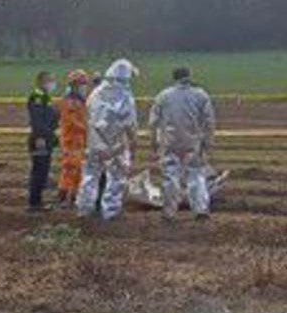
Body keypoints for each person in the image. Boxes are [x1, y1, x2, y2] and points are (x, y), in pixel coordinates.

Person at [149, 67, 216, 219]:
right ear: (189, 77)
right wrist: (208, 141)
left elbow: (153, 122)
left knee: (170, 177)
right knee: (197, 175)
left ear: (174, 78)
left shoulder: (163, 96)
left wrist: (154, 141)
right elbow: (209, 121)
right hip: (193, 142)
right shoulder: (200, 94)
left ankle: (169, 212)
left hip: (170, 143)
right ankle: (200, 209)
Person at [76, 59, 139, 220]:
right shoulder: (125, 96)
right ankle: (110, 212)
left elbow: (87, 116)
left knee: (90, 176)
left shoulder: (95, 93)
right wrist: (132, 142)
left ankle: (84, 208)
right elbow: (130, 123)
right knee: (116, 178)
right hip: (116, 145)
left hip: (94, 143)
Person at [26, 72, 60, 211]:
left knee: (43, 170)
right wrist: (41, 138)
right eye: (50, 81)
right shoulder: (38, 97)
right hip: (41, 139)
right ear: (42, 82)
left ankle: (37, 201)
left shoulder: (45, 97)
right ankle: (34, 203)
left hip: (46, 138)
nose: (53, 83)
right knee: (39, 171)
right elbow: (38, 120)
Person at [56, 70, 90, 206]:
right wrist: (89, 129)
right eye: (82, 84)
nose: (85, 87)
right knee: (72, 168)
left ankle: (66, 195)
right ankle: (68, 197)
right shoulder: (71, 102)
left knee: (74, 168)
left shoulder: (79, 101)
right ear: (75, 85)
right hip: (72, 140)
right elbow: (73, 123)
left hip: (78, 139)